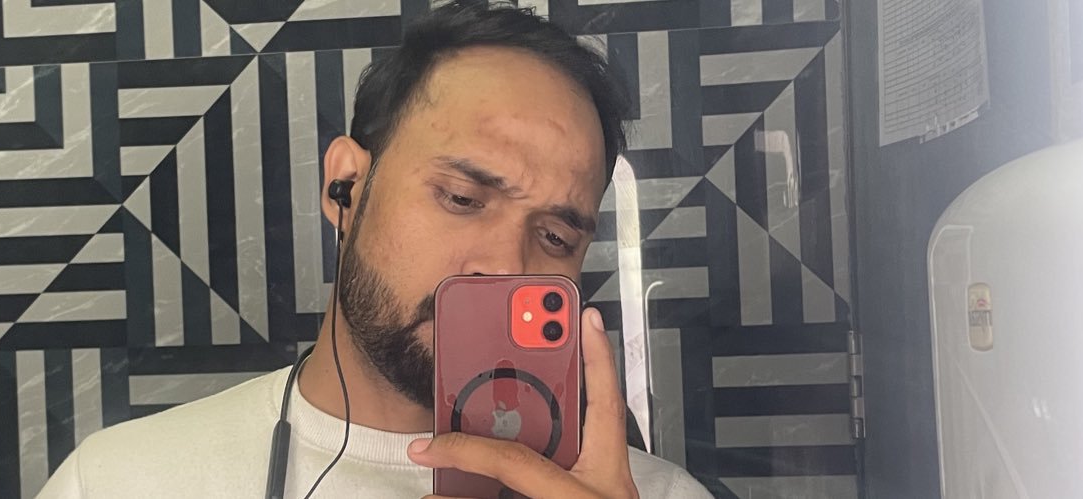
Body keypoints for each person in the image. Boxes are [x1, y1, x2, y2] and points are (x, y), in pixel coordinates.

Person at [40, 2, 711, 497]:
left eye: (556, 237)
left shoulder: (660, 496)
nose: (505, 267)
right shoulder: (118, 480)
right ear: (346, 187)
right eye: (462, 198)